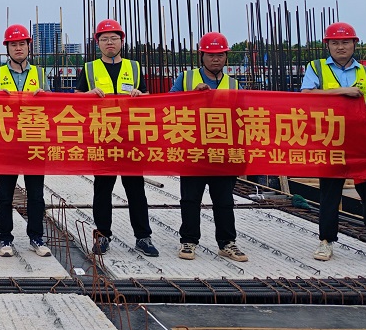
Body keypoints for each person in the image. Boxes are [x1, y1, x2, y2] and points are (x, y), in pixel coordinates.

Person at [77, 18, 157, 257]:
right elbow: (76, 98)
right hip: (102, 136)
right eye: (104, 39)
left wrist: (140, 95)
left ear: (122, 41)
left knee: (136, 189)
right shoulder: (89, 68)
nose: (109, 42)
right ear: (97, 43)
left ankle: (143, 237)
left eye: (114, 38)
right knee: (102, 189)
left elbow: (149, 97)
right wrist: (88, 95)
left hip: (130, 137)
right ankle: (102, 235)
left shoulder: (134, 67)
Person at [170, 32, 247, 262]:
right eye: (211, 55)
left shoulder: (234, 84)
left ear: (226, 57)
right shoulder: (186, 79)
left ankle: (227, 242)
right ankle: (189, 240)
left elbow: (244, 116)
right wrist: (191, 96)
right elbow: (168, 106)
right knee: (190, 199)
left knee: (224, 200)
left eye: (220, 55)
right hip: (193, 148)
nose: (216, 59)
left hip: (222, 150)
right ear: (202, 55)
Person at [301, 22, 366, 262]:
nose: (340, 47)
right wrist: (343, 91)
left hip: (362, 143)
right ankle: (326, 241)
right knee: (330, 194)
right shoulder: (316, 67)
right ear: (328, 45)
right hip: (330, 140)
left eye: (345, 42)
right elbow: (306, 95)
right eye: (335, 43)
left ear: (354, 44)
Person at [0, 24, 51, 258]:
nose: (18, 48)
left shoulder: (40, 75)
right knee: (5, 194)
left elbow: (53, 107)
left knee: (36, 195)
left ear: (28, 46)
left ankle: (36, 237)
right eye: (13, 44)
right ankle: (5, 238)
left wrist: (44, 97)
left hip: (34, 140)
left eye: (22, 43)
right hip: (7, 142)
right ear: (7, 48)